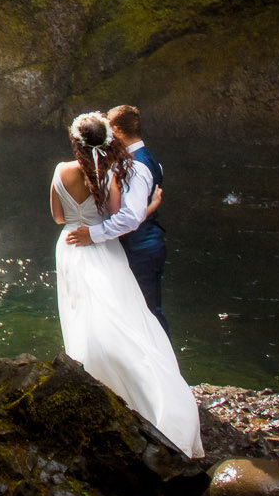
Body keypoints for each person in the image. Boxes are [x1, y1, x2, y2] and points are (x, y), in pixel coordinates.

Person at [50, 110, 202, 456]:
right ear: (107, 137)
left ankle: (88, 371)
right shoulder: (111, 175)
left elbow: (59, 217)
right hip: (103, 248)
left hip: (70, 245)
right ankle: (143, 380)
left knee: (80, 310)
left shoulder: (61, 171)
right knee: (124, 314)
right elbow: (118, 216)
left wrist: (82, 224)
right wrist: (149, 208)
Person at [63, 104, 168, 332]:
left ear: (118, 129)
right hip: (145, 243)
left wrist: (92, 234)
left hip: (140, 249)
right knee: (142, 311)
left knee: (148, 312)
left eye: (109, 127)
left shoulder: (137, 166)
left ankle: (161, 366)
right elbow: (138, 212)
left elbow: (130, 217)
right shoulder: (148, 160)